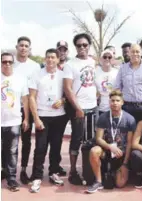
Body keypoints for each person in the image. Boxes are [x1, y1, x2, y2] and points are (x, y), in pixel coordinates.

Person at [28, 49, 67, 193]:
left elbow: (69, 93)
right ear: (45, 59)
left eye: (53, 57)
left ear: (58, 59)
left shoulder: (63, 75)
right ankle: (37, 176)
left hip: (59, 116)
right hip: (42, 116)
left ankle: (54, 172)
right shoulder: (37, 74)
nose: (50, 60)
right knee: (40, 147)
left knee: (56, 147)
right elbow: (32, 97)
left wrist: (62, 100)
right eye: (48, 57)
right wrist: (36, 118)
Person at [63, 33, 97, 185]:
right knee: (76, 139)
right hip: (78, 109)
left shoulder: (93, 61)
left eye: (85, 45)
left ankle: (89, 171)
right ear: (75, 47)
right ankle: (73, 171)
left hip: (93, 108)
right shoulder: (70, 64)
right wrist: (77, 108)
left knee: (90, 141)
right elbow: (68, 88)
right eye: (79, 45)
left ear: (89, 46)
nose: (82, 47)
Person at [86, 90, 136, 193]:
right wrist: (110, 146)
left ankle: (115, 172)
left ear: (122, 102)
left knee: (120, 184)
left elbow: (130, 143)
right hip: (107, 151)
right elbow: (98, 138)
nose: (115, 103)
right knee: (94, 151)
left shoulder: (130, 119)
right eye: (112, 100)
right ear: (109, 102)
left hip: (121, 154)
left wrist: (125, 163)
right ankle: (98, 181)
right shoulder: (103, 117)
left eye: (118, 100)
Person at [13, 36, 41, 184]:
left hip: (26, 109)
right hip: (10, 107)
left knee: (26, 141)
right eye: (21, 45)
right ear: (16, 47)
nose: (23, 48)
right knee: (7, 141)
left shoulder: (35, 66)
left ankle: (23, 169)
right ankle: (6, 169)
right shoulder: (9, 63)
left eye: (26, 46)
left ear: (29, 49)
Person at [1, 52, 29, 192]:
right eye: (4, 61)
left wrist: (26, 118)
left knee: (12, 151)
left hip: (14, 121)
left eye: (9, 62)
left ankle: (11, 178)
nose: (7, 64)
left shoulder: (20, 79)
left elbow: (25, 100)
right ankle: (3, 171)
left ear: (13, 63)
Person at [114, 44, 142, 122]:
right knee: (128, 133)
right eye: (133, 52)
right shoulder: (123, 68)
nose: (135, 54)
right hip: (127, 106)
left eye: (137, 51)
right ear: (129, 53)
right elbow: (118, 87)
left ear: (141, 53)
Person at [95, 49, 119, 114]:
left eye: (110, 57)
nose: (107, 59)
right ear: (101, 59)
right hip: (98, 107)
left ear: (113, 59)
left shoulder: (117, 72)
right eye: (105, 57)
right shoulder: (95, 71)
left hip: (113, 107)